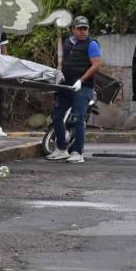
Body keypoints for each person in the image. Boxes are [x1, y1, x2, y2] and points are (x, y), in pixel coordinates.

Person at [46, 15, 101, 164]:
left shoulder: (92, 44)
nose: (83, 32)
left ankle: (77, 152)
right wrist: (59, 74)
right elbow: (63, 61)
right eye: (80, 29)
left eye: (85, 29)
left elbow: (96, 65)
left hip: (83, 87)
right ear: (73, 30)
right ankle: (62, 149)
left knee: (78, 118)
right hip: (66, 85)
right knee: (57, 115)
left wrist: (81, 80)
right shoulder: (68, 42)